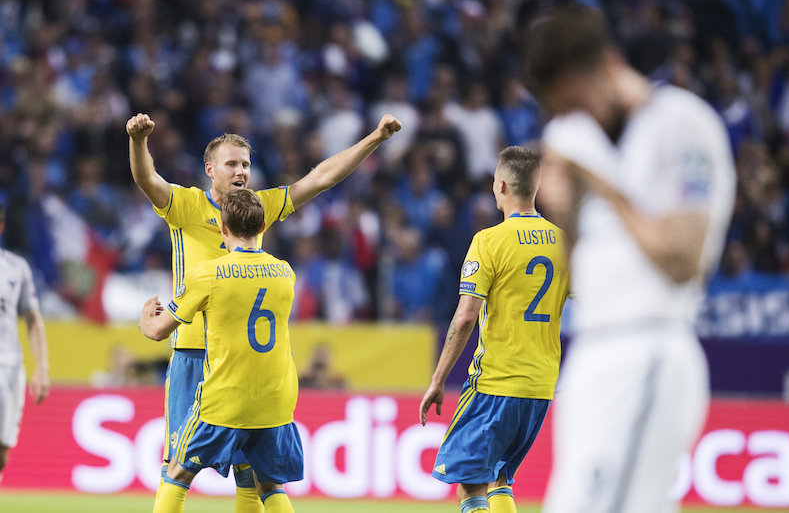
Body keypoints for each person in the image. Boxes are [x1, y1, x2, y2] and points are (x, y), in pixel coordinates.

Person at [126, 111, 401, 512]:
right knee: (189, 467)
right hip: (194, 353)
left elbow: (321, 178)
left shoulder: (258, 207)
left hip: (238, 358)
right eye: (232, 164)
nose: (241, 171)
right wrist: (138, 142)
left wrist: (374, 138)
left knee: (237, 474)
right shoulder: (185, 204)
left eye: (246, 164)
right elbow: (147, 179)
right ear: (210, 170)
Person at [522, 7, 736, 513]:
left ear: (609, 65)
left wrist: (598, 179)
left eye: (576, 103)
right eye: (560, 110)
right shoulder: (576, 138)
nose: (573, 118)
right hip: (589, 353)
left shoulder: (681, 125)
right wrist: (564, 214)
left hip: (649, 348)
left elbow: (682, 259)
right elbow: (579, 274)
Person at [419, 146, 570, 513]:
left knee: (470, 488)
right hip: (541, 385)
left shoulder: (488, 241)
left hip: (496, 381)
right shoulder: (565, 243)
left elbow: (465, 317)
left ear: (500, 185)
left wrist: (438, 379)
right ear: (536, 187)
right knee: (500, 478)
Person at [138, 189, 301, 513]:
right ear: (263, 226)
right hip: (276, 398)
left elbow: (157, 331)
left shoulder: (208, 274)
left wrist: (145, 319)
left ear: (223, 228)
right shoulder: (286, 273)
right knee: (267, 483)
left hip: (226, 395)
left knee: (177, 473)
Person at [0, 201, 49, 483]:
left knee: (2, 451)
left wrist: (41, 368)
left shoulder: (16, 268)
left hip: (8, 365)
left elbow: (33, 319)